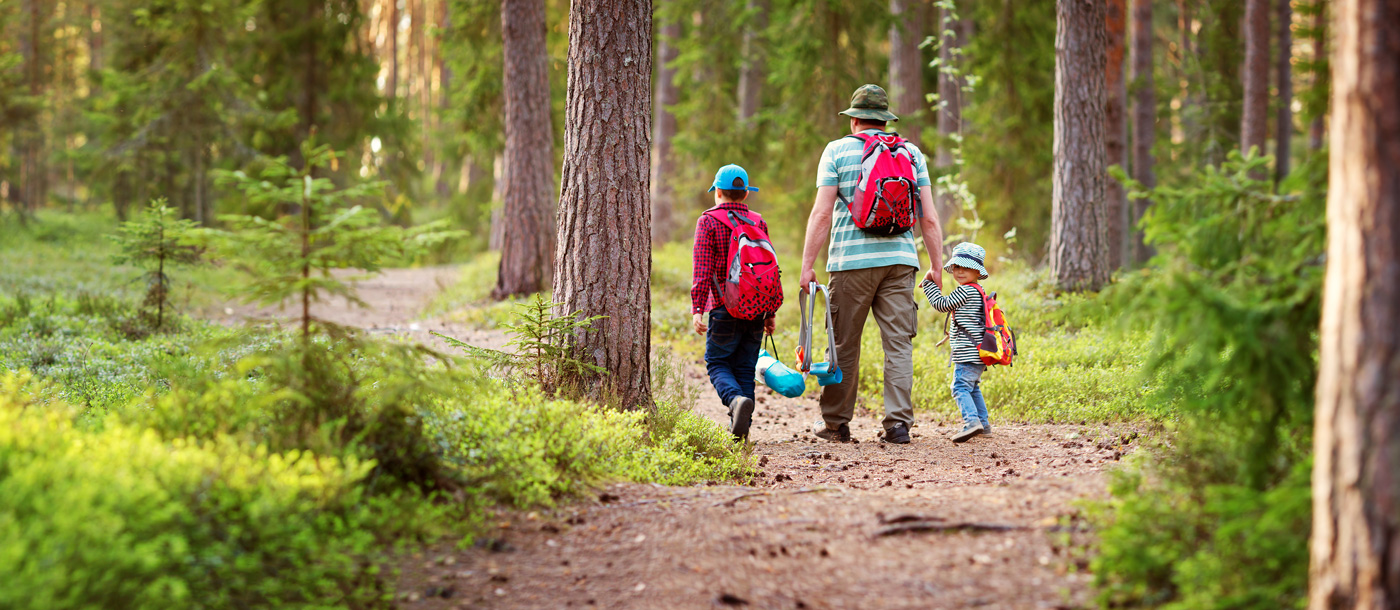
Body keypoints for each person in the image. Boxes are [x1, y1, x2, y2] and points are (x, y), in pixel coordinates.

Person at [799, 84, 944, 444]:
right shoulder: (911, 153)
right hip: (900, 261)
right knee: (898, 344)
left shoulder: (836, 151)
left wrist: (807, 265)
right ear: (884, 120)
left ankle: (835, 424)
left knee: (844, 344)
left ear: (855, 121)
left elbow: (821, 214)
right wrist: (937, 266)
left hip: (850, 263)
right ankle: (897, 425)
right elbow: (929, 218)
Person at [692, 164, 777, 439]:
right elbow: (770, 269)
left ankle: (733, 401)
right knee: (744, 367)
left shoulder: (708, 221)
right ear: (745, 194)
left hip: (722, 307)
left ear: (718, 192)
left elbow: (702, 269)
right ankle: (742, 431)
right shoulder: (758, 221)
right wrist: (770, 311)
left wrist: (697, 309)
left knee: (716, 363)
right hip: (756, 308)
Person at [922, 242, 993, 443]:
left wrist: (929, 284)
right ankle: (984, 424)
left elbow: (941, 304)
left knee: (959, 386)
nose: (960, 272)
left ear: (977, 271)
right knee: (972, 387)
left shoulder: (965, 291)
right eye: (957, 267)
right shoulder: (978, 290)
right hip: (978, 351)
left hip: (967, 352)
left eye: (966, 268)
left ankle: (972, 422)